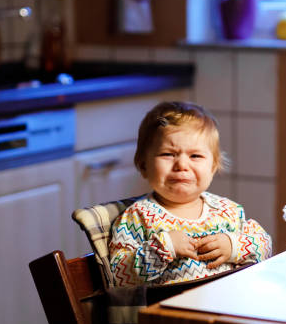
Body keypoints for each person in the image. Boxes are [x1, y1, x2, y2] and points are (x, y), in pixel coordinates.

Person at [109, 101, 272, 287]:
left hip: (229, 305)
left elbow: (265, 246)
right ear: (144, 165)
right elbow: (119, 276)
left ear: (213, 166)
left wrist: (233, 246)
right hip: (170, 312)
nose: (182, 165)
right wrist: (163, 248)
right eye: (168, 154)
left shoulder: (229, 211)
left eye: (195, 156)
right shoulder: (137, 217)